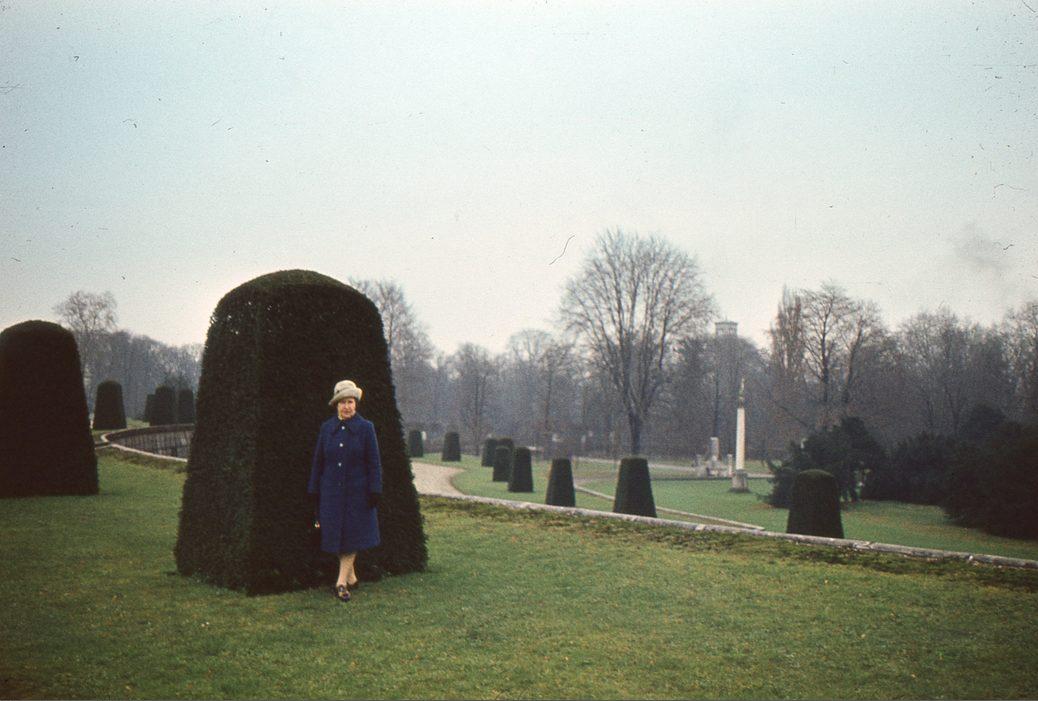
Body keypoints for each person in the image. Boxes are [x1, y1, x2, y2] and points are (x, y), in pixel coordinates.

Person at [308, 379, 382, 603]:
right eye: (343, 402)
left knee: (351, 537)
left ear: (356, 403)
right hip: (331, 493)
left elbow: (374, 463)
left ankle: (341, 583)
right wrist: (314, 488)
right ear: (336, 405)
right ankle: (352, 577)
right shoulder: (326, 428)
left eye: (350, 402)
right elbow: (318, 462)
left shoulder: (366, 428)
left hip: (357, 495)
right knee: (338, 537)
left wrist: (375, 489)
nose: (347, 406)